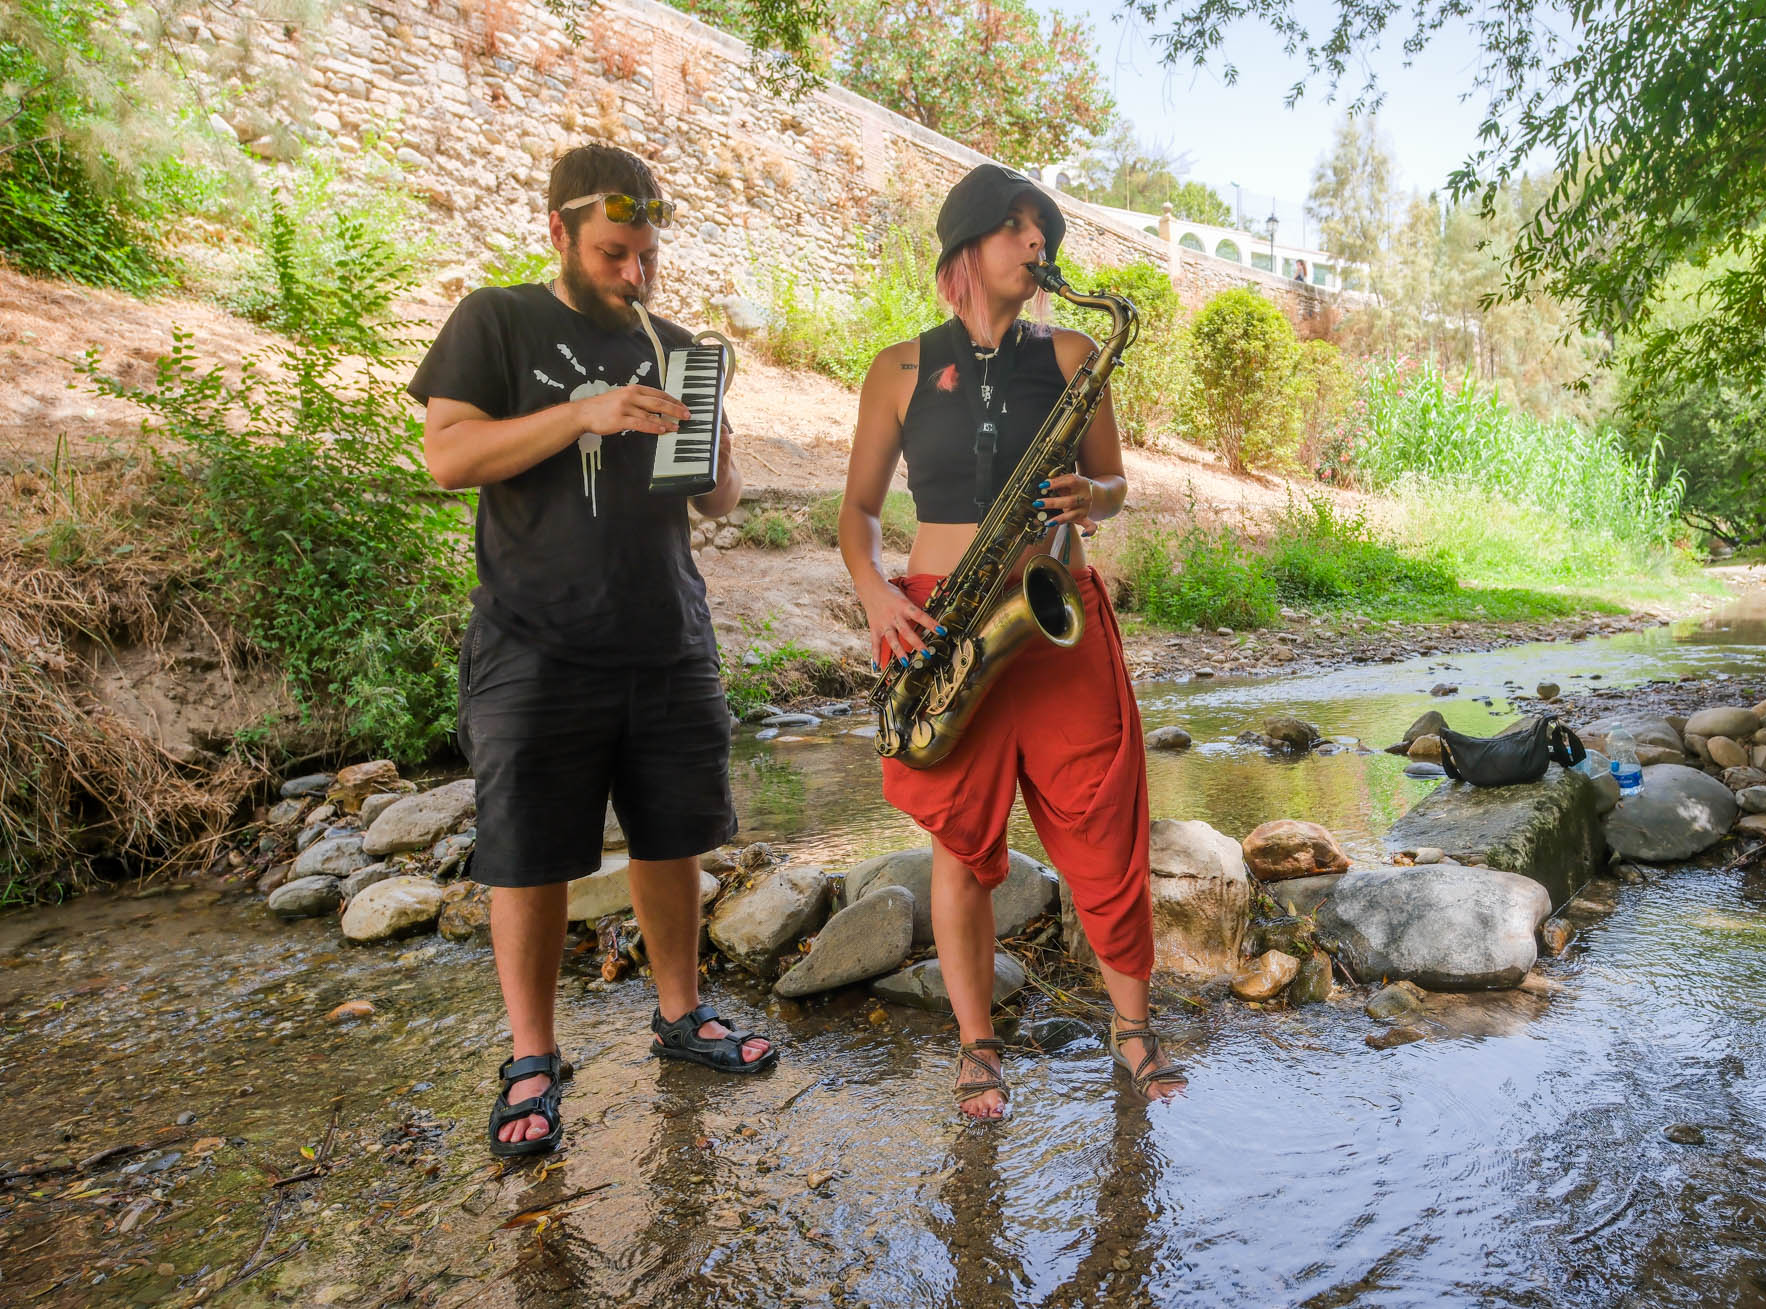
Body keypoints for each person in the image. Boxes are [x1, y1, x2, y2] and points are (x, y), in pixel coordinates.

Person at [410, 143, 776, 1160]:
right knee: (528, 855)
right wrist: (586, 412)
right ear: (559, 235)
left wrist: (721, 458)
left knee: (672, 836)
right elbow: (447, 454)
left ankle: (681, 1014)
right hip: (533, 639)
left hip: (667, 632)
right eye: (614, 253)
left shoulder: (672, 343)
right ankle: (531, 1056)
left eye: (646, 255)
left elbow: (718, 499)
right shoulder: (497, 319)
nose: (634, 274)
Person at [838, 163, 1185, 1119]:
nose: (1040, 247)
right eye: (1018, 230)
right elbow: (859, 511)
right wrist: (873, 590)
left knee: (1106, 826)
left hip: (1052, 609)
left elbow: (1113, 486)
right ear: (967, 243)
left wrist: (1093, 498)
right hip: (943, 618)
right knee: (960, 839)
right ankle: (978, 1045)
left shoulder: (1075, 353)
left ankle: (1132, 1031)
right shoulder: (898, 367)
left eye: (1046, 233)